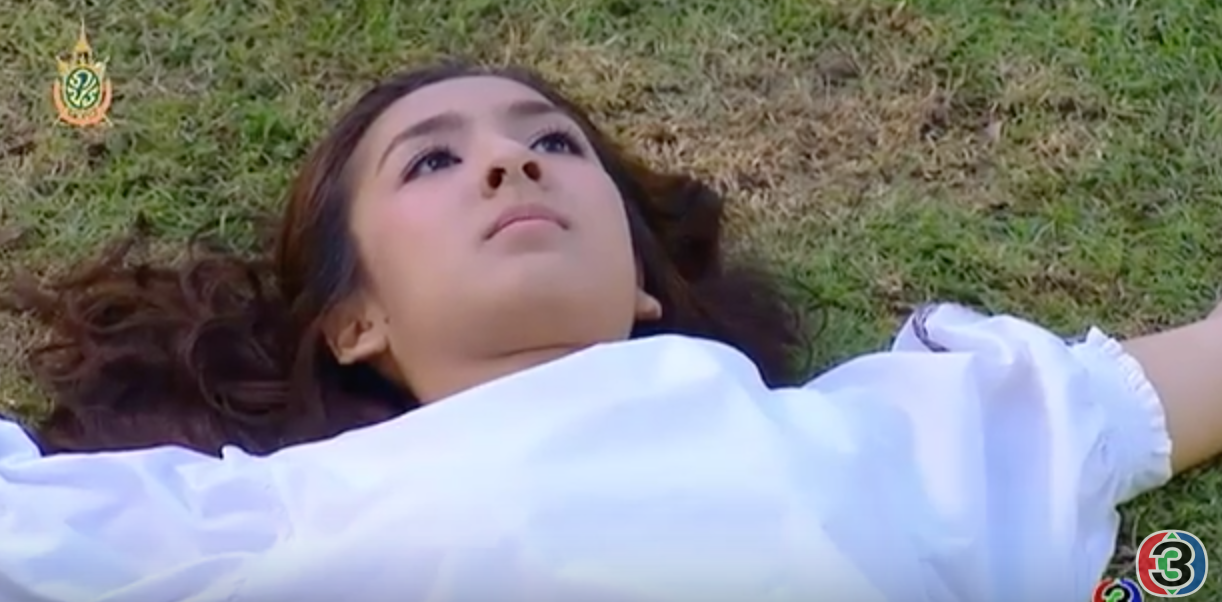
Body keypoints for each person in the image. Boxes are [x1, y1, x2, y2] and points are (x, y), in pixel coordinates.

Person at [0, 62, 1219, 602]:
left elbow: (1129, 404)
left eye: (551, 141)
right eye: (432, 160)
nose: (511, 161)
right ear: (355, 318)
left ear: (641, 283)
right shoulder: (271, 517)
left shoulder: (871, 436)